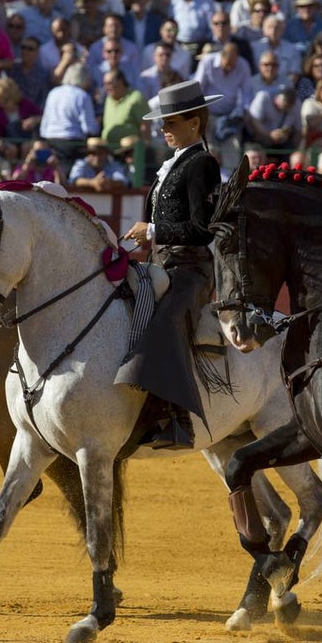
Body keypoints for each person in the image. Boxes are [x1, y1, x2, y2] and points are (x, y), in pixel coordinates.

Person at [118, 80, 222, 450]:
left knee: (167, 322)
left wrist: (153, 230)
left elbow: (203, 229)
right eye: (163, 123)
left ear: (194, 124)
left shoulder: (202, 164)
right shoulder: (174, 164)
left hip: (191, 269)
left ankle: (177, 420)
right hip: (161, 264)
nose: (164, 128)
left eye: (171, 122)